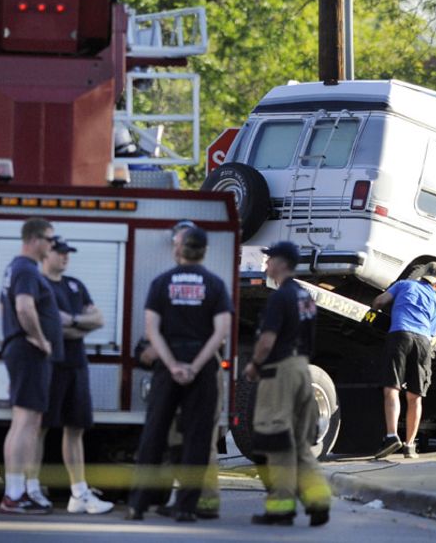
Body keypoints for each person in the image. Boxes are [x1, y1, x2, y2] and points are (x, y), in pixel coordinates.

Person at [126, 226, 232, 522]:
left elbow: (152, 330)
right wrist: (196, 365)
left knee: (154, 434)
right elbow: (221, 331)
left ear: (178, 249)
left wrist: (172, 364)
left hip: (167, 367)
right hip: (203, 368)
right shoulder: (215, 285)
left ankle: (137, 504)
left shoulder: (162, 283)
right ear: (204, 252)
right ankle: (186, 507)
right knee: (199, 439)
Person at [24, 235, 114, 514]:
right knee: (39, 428)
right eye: (60, 252)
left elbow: (98, 319)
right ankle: (31, 488)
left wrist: (73, 321)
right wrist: (73, 327)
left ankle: (79, 493)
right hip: (49, 363)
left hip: (76, 362)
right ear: (46, 254)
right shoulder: (38, 285)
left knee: (76, 428)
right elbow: (44, 328)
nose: (65, 257)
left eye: (68, 253)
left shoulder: (75, 286)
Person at [245, 241, 331, 527]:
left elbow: (267, 340)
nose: (266, 265)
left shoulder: (280, 298)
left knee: (276, 440)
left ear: (281, 263)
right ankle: (319, 502)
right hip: (302, 370)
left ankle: (281, 509)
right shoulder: (304, 296)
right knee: (300, 443)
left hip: (279, 372)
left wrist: (255, 365)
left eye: (269, 261)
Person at [0, 218, 64, 514]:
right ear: (35, 239)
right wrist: (39, 339)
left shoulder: (18, 268)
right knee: (24, 423)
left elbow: (6, 306)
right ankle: (13, 494)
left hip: (22, 350)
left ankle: (18, 490)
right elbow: (23, 306)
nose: (52, 246)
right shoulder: (25, 269)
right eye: (50, 240)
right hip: (28, 351)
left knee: (27, 422)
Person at [370, 262, 436, 459]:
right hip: (422, 343)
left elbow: (379, 301)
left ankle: (391, 436)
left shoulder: (404, 285)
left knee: (392, 389)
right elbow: (432, 333)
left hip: (400, 335)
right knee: (415, 396)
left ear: (422, 275)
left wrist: (375, 309)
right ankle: (410, 446)